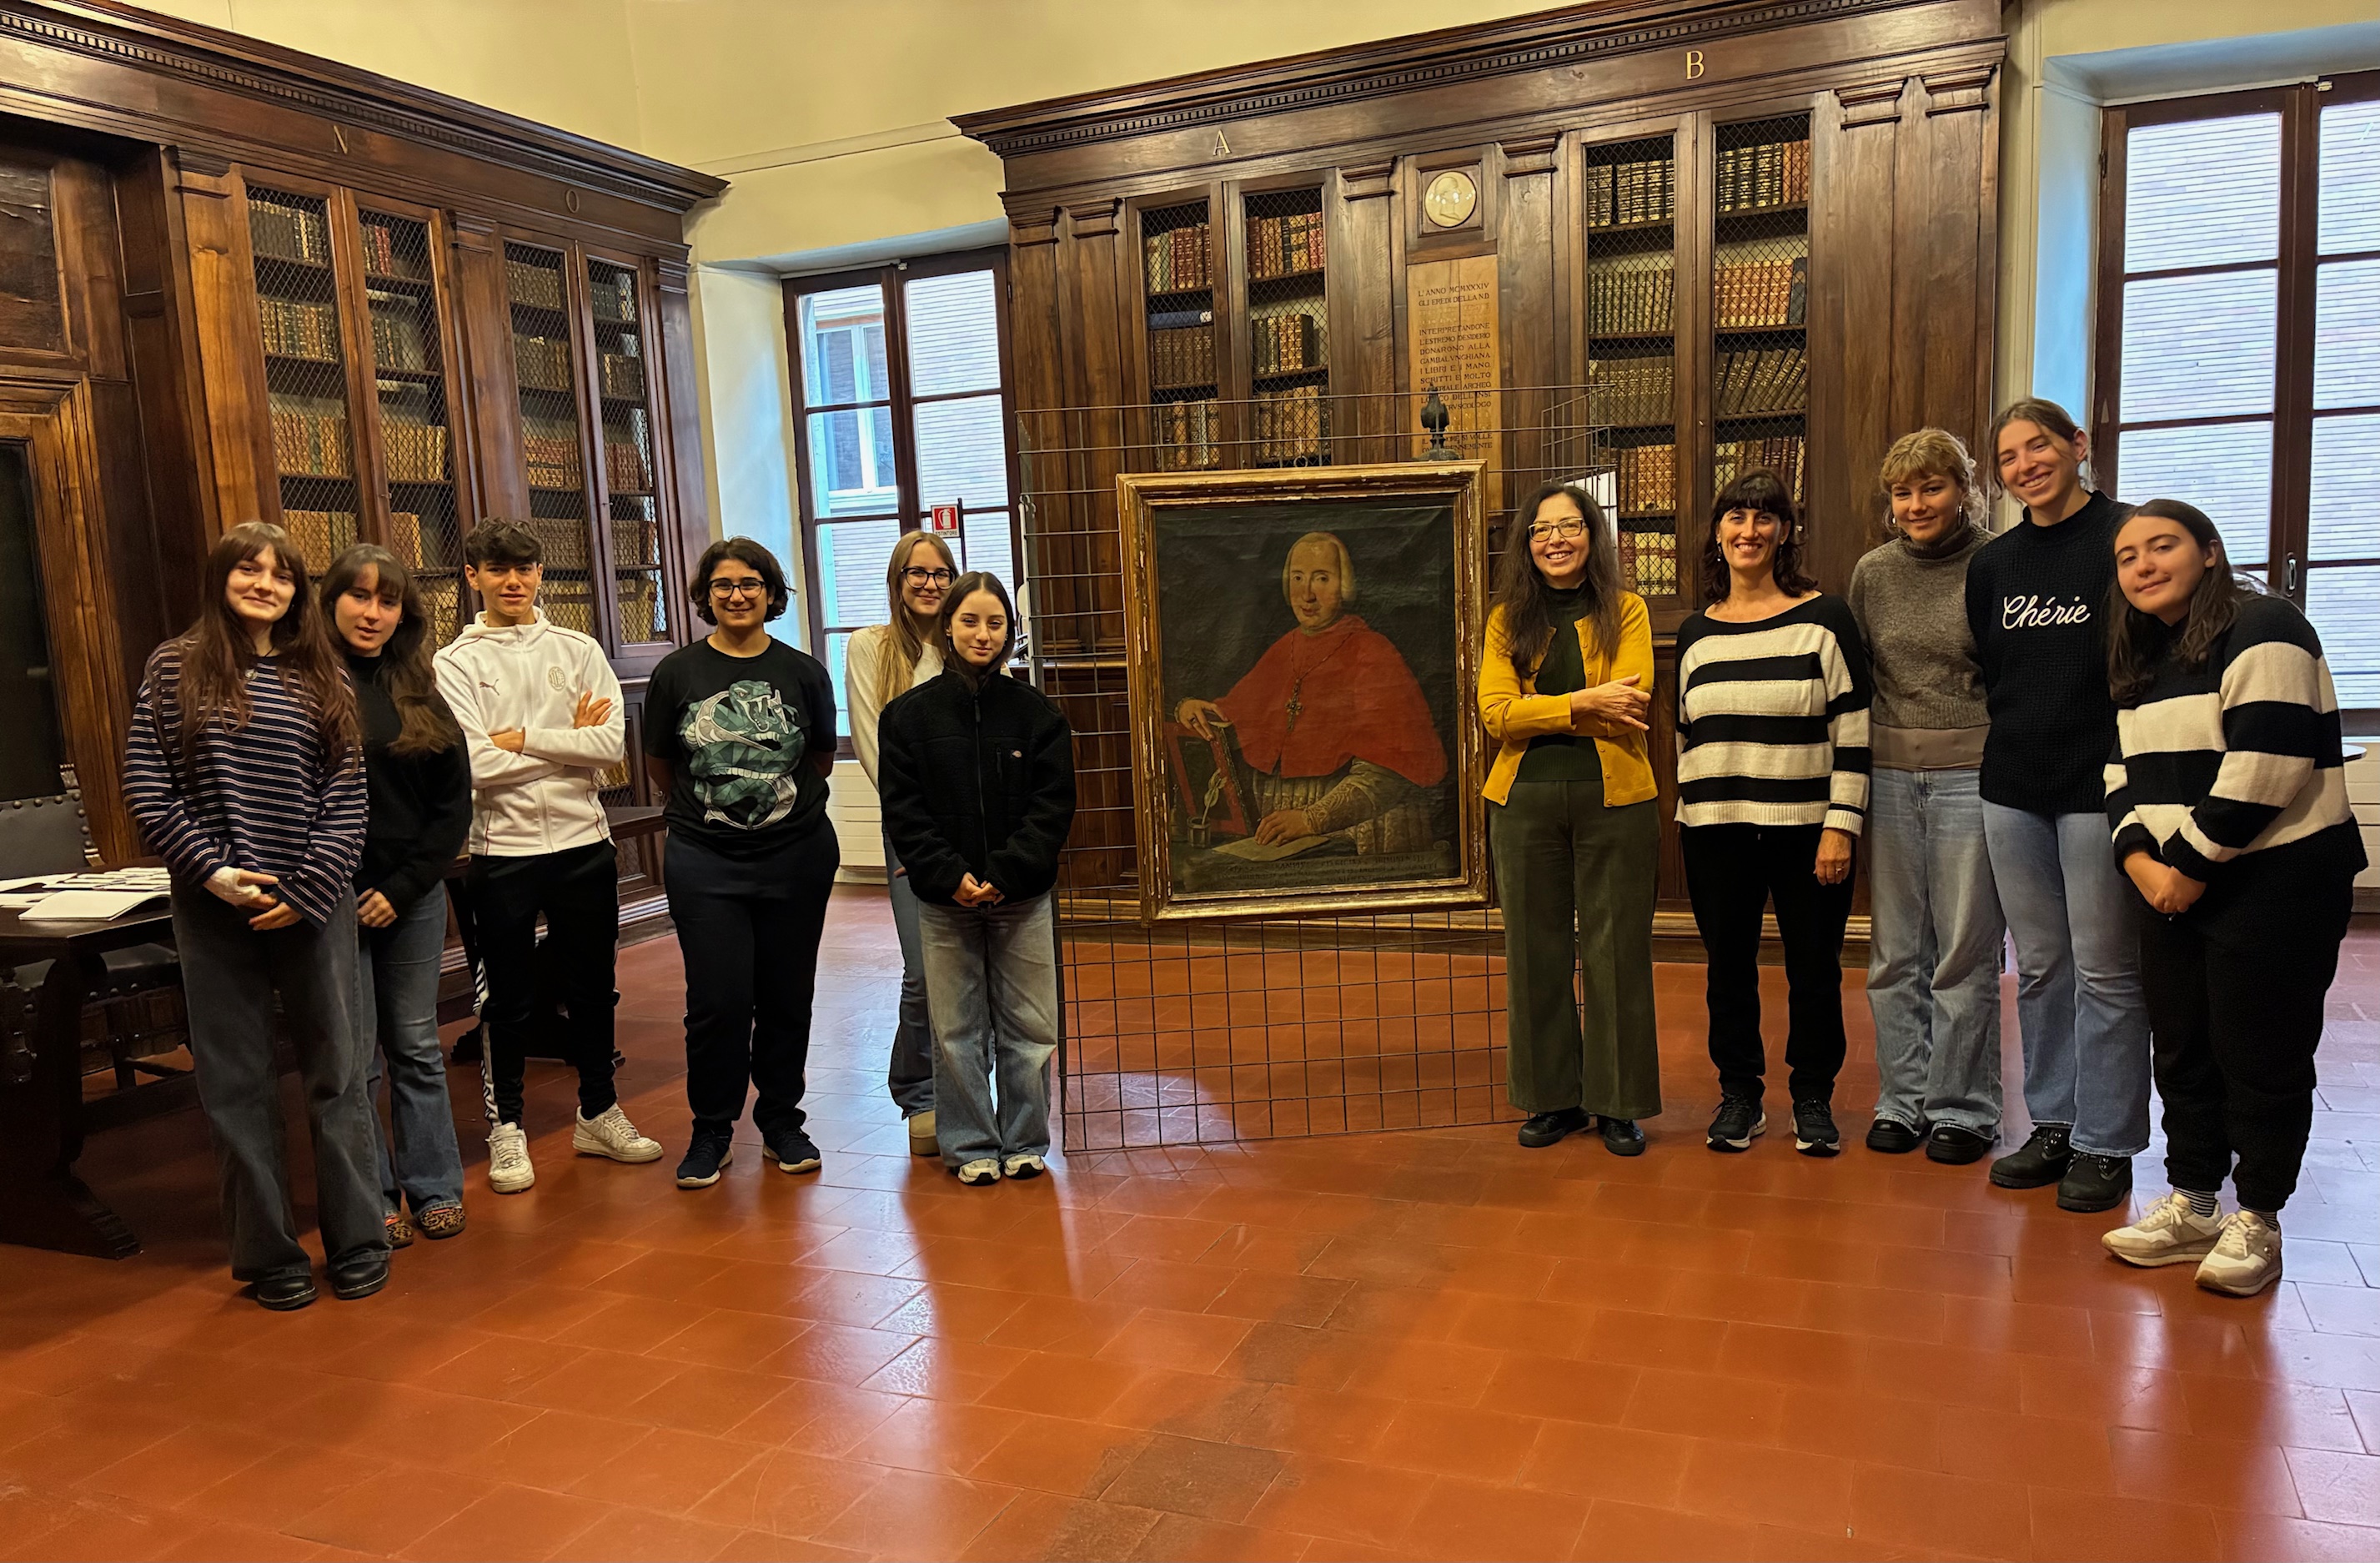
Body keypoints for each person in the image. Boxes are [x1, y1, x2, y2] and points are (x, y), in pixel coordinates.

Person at [2097, 501, 2363, 1297]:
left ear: (2210, 553)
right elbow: (2118, 770)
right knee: (2181, 1047)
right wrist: (2140, 861)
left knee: (2261, 1053)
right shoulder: (2144, 652)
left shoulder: (2266, 626)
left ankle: (2260, 1218)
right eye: (2127, 557)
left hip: (2274, 885)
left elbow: (2268, 763)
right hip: (2172, 887)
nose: (2143, 565)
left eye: (2162, 546)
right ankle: (2194, 1201)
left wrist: (2184, 868)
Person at [122, 520, 384, 1310]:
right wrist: (212, 873)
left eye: (281, 574)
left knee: (337, 1075)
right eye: (248, 570)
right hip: (215, 907)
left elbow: (348, 796)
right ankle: (269, 1255)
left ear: (297, 590)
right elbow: (147, 786)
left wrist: (307, 889)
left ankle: (359, 1239)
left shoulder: (322, 670)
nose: (264, 585)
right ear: (221, 578)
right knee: (235, 1085)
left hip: (315, 903)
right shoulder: (175, 665)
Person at [433, 520, 660, 1194]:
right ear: (473, 575)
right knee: (505, 998)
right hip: (502, 851)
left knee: (593, 986)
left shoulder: (579, 648)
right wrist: (566, 745)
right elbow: (474, 765)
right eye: (498, 569)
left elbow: (610, 747)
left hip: (584, 844)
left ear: (539, 574)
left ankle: (599, 1111)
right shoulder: (455, 662)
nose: (513, 581)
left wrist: (522, 738)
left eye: (525, 568)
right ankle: (507, 1129)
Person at [1965, 398, 2147, 1213]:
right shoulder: (1994, 565)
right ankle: (2054, 1123)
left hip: (2099, 784)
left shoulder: (2125, 537)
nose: (2024, 465)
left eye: (2037, 446)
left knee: (2105, 967)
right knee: (2040, 965)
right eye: (2008, 456)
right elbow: (1994, 666)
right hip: (2012, 787)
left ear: (2077, 445)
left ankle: (2107, 1140)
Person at [1675, 470, 1871, 1158]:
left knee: (1813, 969)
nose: (1749, 530)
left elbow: (1854, 730)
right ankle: (1740, 1095)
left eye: (1764, 517)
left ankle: (1812, 1097)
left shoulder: (1826, 618)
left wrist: (1841, 824)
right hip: (1715, 831)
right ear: (1717, 533)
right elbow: (1686, 737)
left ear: (1785, 532)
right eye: (1736, 517)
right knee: (1727, 969)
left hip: (1807, 830)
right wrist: (1689, 816)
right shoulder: (1695, 633)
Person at [643, 538, 840, 1189]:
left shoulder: (803, 671)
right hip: (705, 860)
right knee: (718, 1001)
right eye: (723, 585)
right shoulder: (677, 672)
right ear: (706, 596)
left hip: (796, 857)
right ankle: (712, 1128)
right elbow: (663, 765)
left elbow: (817, 758)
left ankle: (782, 1121)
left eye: (750, 583)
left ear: (771, 593)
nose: (736, 595)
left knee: (787, 996)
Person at [1477, 482, 1660, 1155]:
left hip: (1617, 803)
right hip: (1522, 805)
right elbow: (1496, 715)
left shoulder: (1628, 610)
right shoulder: (1506, 620)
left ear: (1592, 536)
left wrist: (1541, 707)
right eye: (1541, 529)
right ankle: (1552, 1099)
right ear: (1526, 543)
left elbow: (1631, 702)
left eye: (1570, 526)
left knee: (1617, 954)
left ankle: (1618, 1104)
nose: (1555, 539)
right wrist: (1584, 703)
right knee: (1535, 952)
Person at [878, 572, 1077, 1186]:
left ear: (1009, 632)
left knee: (1031, 1028)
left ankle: (1025, 1140)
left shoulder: (1038, 714)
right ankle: (969, 1146)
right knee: (955, 1030)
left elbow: (1052, 809)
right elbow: (904, 811)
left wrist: (1004, 873)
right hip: (945, 900)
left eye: (995, 623)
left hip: (1022, 898)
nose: (982, 634)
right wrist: (951, 876)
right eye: (969, 621)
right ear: (948, 627)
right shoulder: (907, 716)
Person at [1847, 431, 2003, 1164]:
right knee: (1895, 951)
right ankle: (1902, 1100)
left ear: (1965, 490)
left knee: (1964, 948)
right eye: (1903, 493)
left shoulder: (1996, 564)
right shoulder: (1873, 574)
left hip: (1973, 774)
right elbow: (1861, 673)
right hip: (1887, 772)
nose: (1916, 505)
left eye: (1932, 488)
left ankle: (1964, 1108)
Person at [322, 545, 473, 1245]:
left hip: (410, 898)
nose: (372, 613)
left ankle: (434, 1186)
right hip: (329, 901)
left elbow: (451, 809)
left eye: (387, 601)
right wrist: (340, 888)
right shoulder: (305, 688)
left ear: (403, 616)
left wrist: (402, 887)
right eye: (359, 596)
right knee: (355, 1059)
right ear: (329, 603)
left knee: (414, 1044)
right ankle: (374, 1197)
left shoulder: (419, 691)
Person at [1174, 531, 1446, 854]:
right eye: (1298, 578)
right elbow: (1236, 716)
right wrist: (1192, 709)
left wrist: (1312, 819)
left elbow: (1389, 773)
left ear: (1344, 585)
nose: (1307, 594)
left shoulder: (1372, 652)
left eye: (1322, 578)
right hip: (1277, 829)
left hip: (1352, 828)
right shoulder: (1285, 648)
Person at [846, 530, 957, 1160]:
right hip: (910, 826)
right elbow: (871, 744)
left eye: (941, 573)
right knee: (922, 968)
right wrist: (916, 825)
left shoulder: (967, 642)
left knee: (965, 966)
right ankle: (918, 1093)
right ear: (898, 580)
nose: (930, 584)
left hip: (970, 827)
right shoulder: (871, 646)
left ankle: (963, 1089)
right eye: (918, 572)